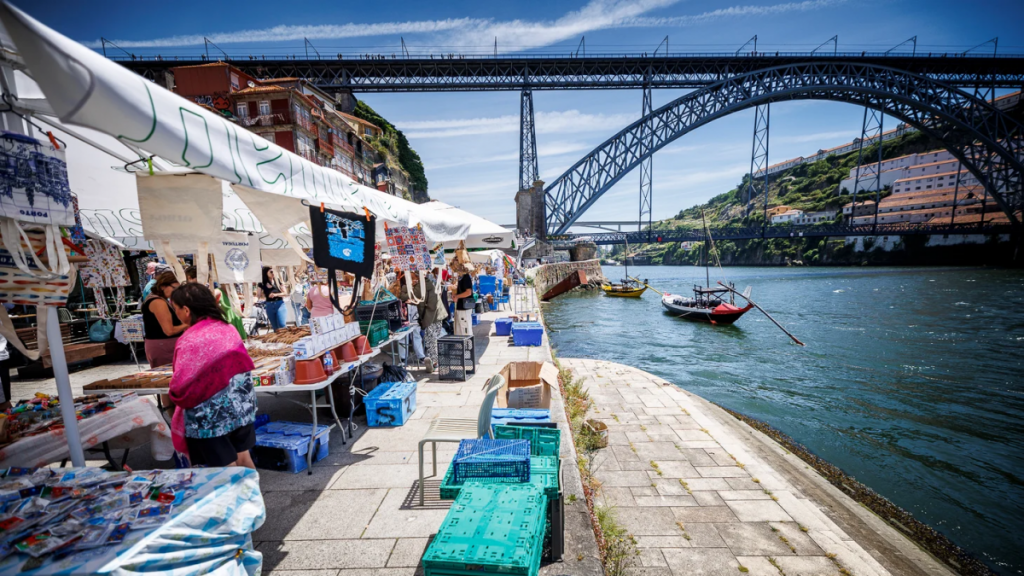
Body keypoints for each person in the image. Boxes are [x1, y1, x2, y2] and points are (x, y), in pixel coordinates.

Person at [168, 283, 257, 469]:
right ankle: (252, 497)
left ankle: (235, 499)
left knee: (225, 467)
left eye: (175, 309)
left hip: (210, 417)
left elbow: (180, 385)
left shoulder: (189, 339)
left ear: (186, 310)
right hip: (242, 408)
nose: (175, 313)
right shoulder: (228, 328)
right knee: (243, 459)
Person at [142, 272, 186, 367]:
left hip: (163, 344)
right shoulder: (158, 302)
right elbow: (169, 331)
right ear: (163, 286)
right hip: (163, 346)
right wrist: (188, 324)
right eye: (175, 288)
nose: (177, 292)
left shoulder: (161, 299)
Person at [415, 272, 446, 373]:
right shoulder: (428, 284)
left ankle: (436, 363)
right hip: (437, 315)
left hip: (432, 316)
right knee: (432, 339)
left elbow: (421, 305)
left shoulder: (422, 287)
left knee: (431, 340)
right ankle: (435, 361)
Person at [397, 271, 426, 367]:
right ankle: (403, 357)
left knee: (416, 333)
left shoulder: (418, 285)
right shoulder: (404, 285)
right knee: (403, 334)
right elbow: (402, 297)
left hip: (414, 311)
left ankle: (420, 356)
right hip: (405, 310)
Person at [453, 264, 475, 336]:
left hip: (465, 307)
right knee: (460, 329)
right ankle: (463, 345)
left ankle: (467, 346)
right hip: (462, 306)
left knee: (465, 329)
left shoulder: (465, 277)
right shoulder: (461, 277)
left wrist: (457, 296)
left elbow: (468, 292)